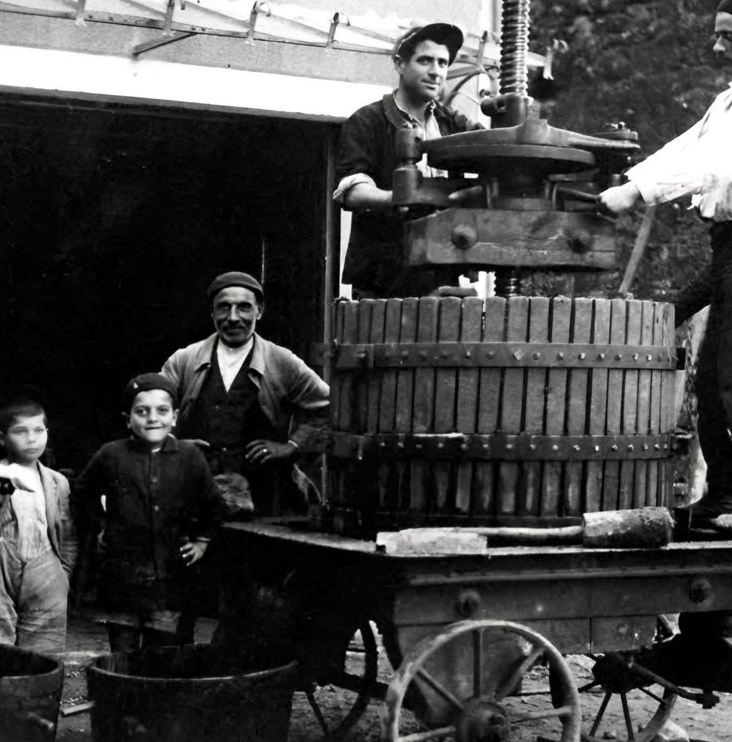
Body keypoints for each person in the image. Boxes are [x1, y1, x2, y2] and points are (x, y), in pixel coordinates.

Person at [599, 0, 732, 533]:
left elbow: (717, 159)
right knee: (715, 374)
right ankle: (724, 496)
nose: (717, 46)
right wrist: (631, 178)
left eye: (730, 36)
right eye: (716, 34)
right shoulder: (731, 99)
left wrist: (636, 192)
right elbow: (688, 146)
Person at [74, 373, 223, 651]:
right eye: (142, 412)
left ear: (174, 417)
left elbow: (213, 503)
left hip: (170, 580)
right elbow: (82, 493)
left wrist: (202, 540)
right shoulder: (111, 454)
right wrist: (101, 527)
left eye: (162, 411)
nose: (152, 418)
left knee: (163, 652)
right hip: (122, 579)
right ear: (128, 418)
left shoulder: (189, 456)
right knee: (123, 651)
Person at [333, 22, 483, 298]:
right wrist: (403, 196)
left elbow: (493, 149)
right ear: (400, 64)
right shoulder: (367, 121)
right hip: (382, 281)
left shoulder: (452, 123)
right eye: (425, 60)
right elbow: (352, 192)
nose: (436, 71)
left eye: (442, 63)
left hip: (440, 272)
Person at [160, 271, 329, 516]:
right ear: (211, 312)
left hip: (266, 499)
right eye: (223, 307)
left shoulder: (281, 361)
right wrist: (172, 444)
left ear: (259, 311)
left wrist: (292, 446)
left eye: (244, 307)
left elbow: (328, 408)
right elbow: (150, 410)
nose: (233, 317)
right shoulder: (184, 360)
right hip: (194, 494)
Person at [0, 398, 76, 652]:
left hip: (45, 570)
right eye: (21, 432)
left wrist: (63, 572)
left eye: (38, 430)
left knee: (44, 653)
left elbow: (67, 533)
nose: (31, 439)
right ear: (2, 437)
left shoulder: (57, 483)